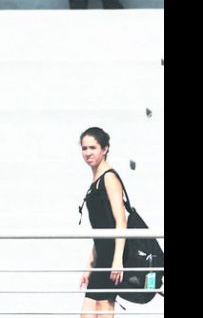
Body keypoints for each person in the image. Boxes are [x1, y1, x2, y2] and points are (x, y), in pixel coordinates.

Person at [77, 127, 127, 318]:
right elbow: (101, 230)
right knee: (87, 314)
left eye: (92, 147)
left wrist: (117, 260)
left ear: (105, 149)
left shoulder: (109, 178)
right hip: (102, 259)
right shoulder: (96, 180)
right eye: (84, 148)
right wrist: (89, 266)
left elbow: (121, 221)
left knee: (103, 312)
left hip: (111, 258)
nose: (87, 152)